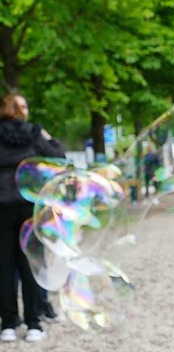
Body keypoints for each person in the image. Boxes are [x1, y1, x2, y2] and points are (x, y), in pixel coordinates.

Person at [0, 94, 65, 343]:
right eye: (24, 105)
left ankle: (7, 324)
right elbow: (59, 156)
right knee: (31, 264)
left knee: (4, 267)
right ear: (17, 109)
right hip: (29, 205)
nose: (26, 109)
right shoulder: (33, 133)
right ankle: (34, 324)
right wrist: (48, 137)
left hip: (2, 207)